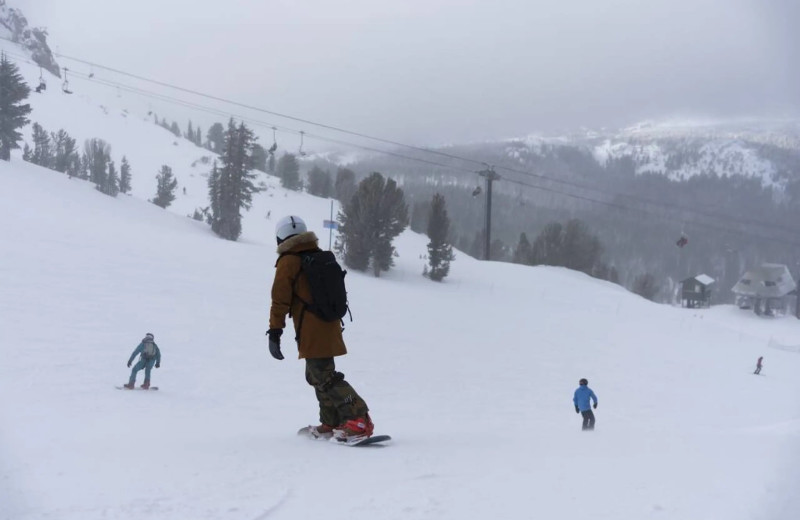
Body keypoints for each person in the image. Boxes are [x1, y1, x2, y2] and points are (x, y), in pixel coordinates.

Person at [266, 215, 374, 440]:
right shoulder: (316, 255)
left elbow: (280, 300)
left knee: (324, 377)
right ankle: (331, 421)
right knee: (317, 375)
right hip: (329, 324)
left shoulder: (289, 261)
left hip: (311, 327)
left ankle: (359, 420)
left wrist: (275, 331)